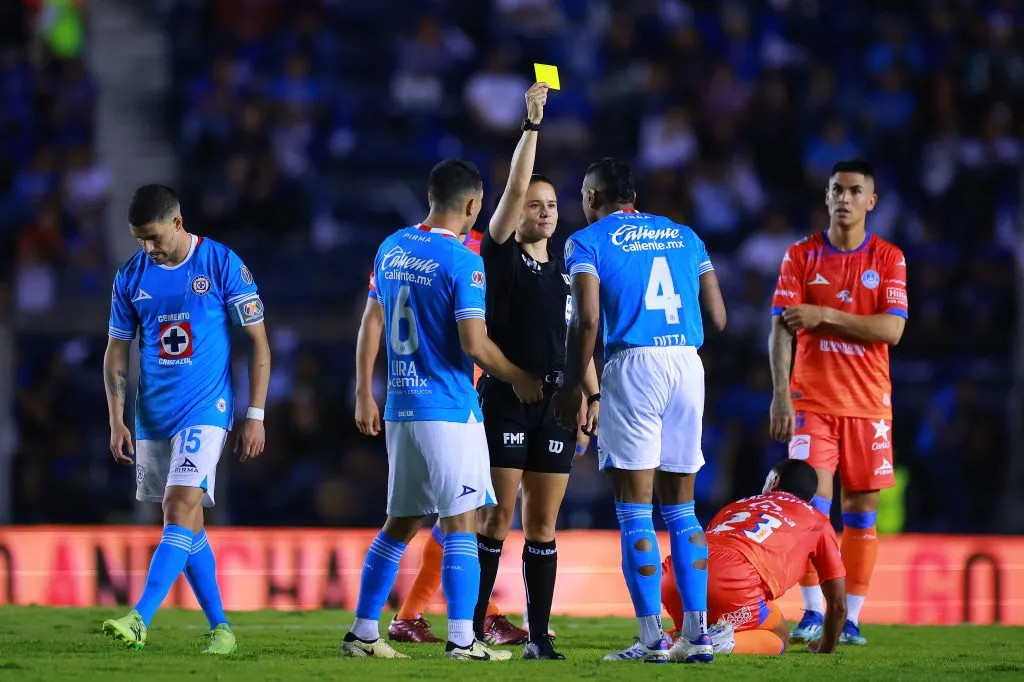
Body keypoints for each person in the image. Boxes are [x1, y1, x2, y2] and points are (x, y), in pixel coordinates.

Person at [339, 158, 542, 661]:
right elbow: (474, 345)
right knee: (461, 523)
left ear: (431, 198)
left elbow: (372, 321)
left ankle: (363, 633)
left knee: (401, 522)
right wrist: (518, 376)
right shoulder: (463, 261)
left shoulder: (391, 247)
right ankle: (462, 640)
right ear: (473, 205)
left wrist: (365, 390)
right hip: (449, 408)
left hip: (401, 405)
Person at [553, 158, 727, 664]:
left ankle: (652, 640)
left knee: (635, 508)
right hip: (687, 365)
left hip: (634, 363)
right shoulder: (685, 235)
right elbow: (717, 317)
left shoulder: (586, 242)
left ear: (592, 198)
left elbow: (586, 320)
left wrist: (572, 384)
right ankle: (695, 637)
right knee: (683, 507)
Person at [102, 184, 271, 653]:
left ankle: (139, 618)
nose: (147, 248)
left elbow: (259, 342)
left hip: (206, 409)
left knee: (177, 506)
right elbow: (117, 350)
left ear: (178, 223)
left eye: (153, 237)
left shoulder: (221, 263)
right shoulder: (130, 276)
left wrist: (255, 413)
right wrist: (117, 419)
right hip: (152, 414)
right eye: (139, 239)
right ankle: (221, 629)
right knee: (186, 521)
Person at [472, 82, 600, 661]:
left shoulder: (570, 267)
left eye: (551, 206)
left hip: (555, 404)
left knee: (543, 522)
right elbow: (516, 185)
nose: (544, 212)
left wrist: (590, 399)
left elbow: (580, 340)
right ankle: (473, 625)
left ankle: (540, 635)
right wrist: (531, 125)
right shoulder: (500, 253)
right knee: (498, 516)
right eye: (534, 204)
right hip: (505, 396)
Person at [768, 159, 908, 647]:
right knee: (808, 506)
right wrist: (781, 394)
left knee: (861, 512)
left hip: (869, 405)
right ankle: (811, 612)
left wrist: (824, 314)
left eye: (854, 191)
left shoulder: (888, 258)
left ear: (871, 201)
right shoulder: (801, 255)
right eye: (836, 190)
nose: (844, 198)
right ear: (826, 197)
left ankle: (849, 619)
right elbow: (780, 329)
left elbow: (892, 329)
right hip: (812, 402)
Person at [660, 459, 847, 655]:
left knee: (754, 612)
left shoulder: (734, 506)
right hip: (733, 580)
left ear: (774, 480)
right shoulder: (817, 521)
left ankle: (670, 638)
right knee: (780, 633)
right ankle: (718, 643)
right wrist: (825, 648)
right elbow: (839, 605)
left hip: (674, 574)